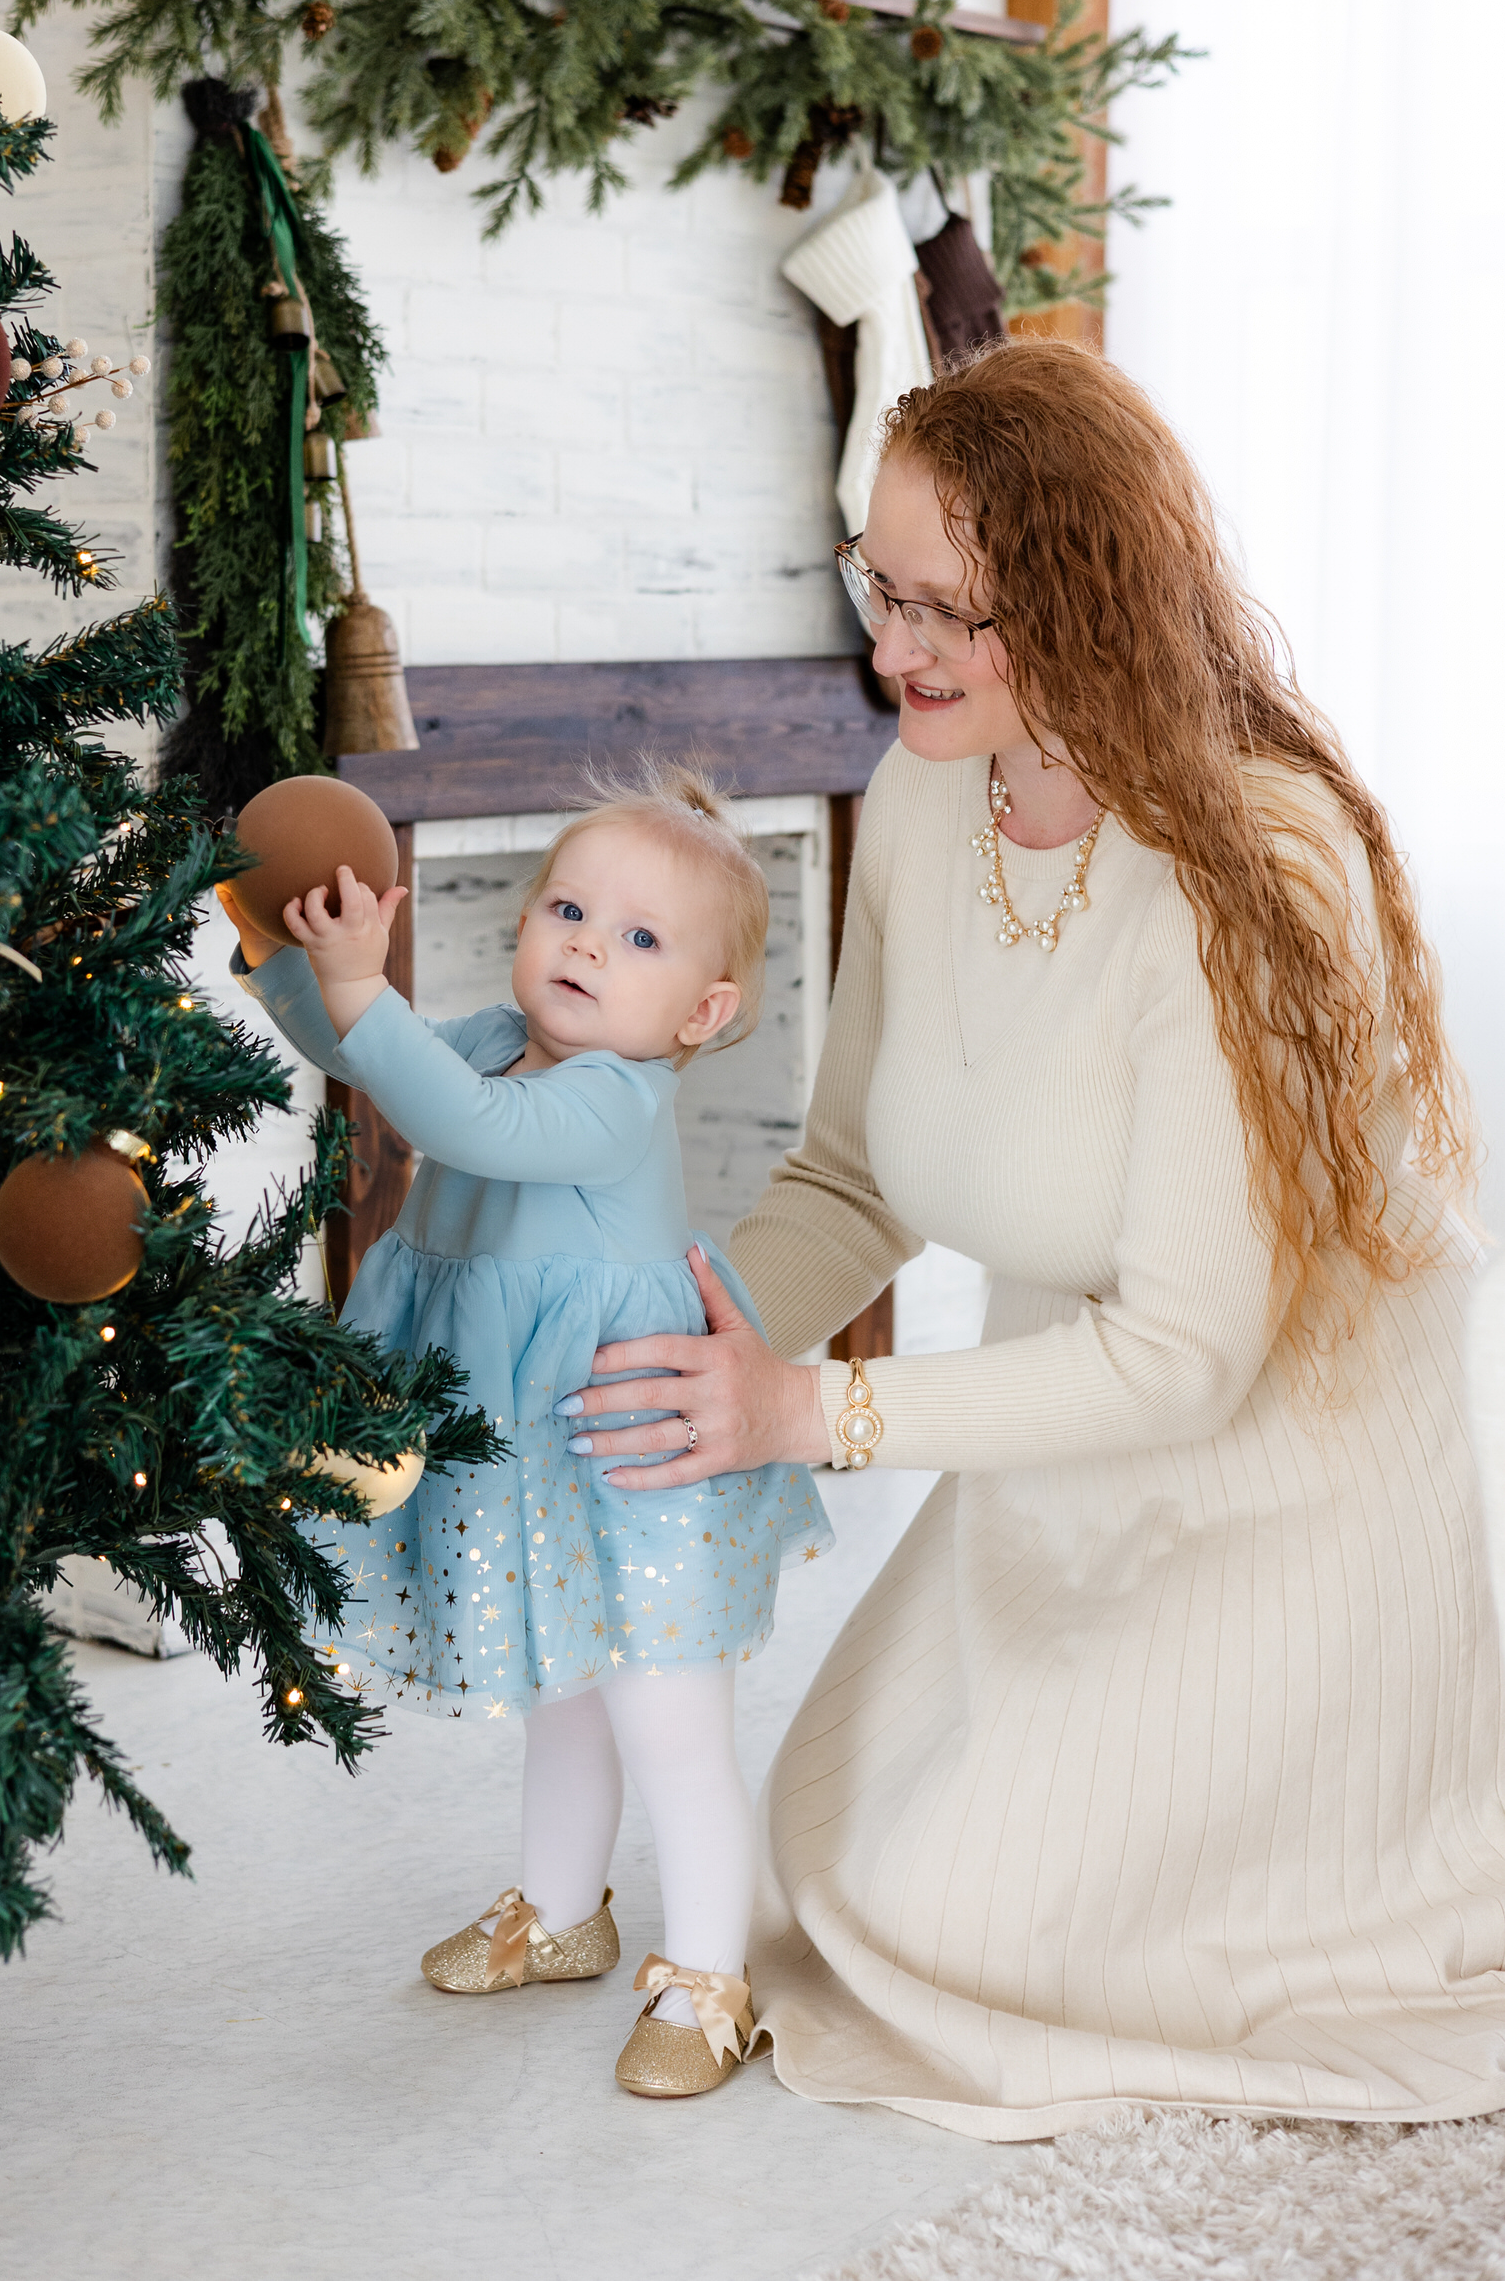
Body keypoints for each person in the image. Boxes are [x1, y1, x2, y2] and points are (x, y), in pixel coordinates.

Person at [562, 339, 1505, 2139]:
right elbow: (851, 1178)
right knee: (841, 1863)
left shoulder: (1256, 864)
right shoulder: (932, 785)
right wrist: (665, 1347)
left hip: (1276, 1495)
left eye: (943, 610)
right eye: (877, 586)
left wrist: (805, 1419)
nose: (890, 651)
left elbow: (1182, 1356)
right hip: (1061, 1482)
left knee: (966, 1935)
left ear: (1084, 597)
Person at [219, 764, 829, 2101]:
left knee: (666, 1717)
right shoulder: (505, 1035)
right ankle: (561, 1913)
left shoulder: (611, 1096)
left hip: (630, 1448)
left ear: (702, 1015)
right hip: (529, 1446)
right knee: (563, 1696)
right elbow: (360, 1046)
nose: (587, 945)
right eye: (568, 907)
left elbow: (454, 1118)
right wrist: (289, 954)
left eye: (641, 938)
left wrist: (366, 994)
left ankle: (711, 1972)